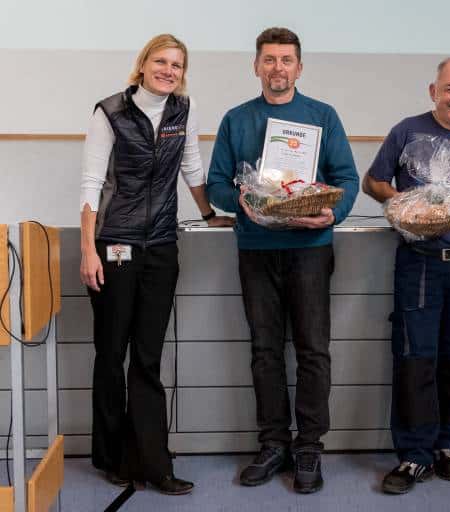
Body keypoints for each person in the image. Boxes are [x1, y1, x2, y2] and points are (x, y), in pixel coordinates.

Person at [206, 27, 359, 494]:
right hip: (256, 250)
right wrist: (241, 200)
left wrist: (332, 213)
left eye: (286, 60)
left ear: (299, 67)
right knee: (265, 351)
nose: (278, 68)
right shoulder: (236, 120)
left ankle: (309, 446)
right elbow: (216, 185)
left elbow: (347, 179)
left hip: (310, 250)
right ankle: (273, 442)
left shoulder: (322, 116)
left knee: (313, 350)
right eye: (269, 59)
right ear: (256, 66)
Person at [79, 33, 233, 495]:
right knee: (111, 354)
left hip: (162, 246)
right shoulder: (110, 112)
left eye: (177, 65)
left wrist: (208, 214)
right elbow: (91, 182)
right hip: (115, 245)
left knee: (147, 358)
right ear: (143, 64)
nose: (169, 71)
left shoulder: (183, 110)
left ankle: (154, 462)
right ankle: (113, 458)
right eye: (161, 62)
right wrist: (88, 250)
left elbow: (192, 167)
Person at [363, 57, 450, 494]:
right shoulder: (407, 131)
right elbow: (373, 182)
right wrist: (407, 204)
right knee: (415, 357)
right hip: (420, 260)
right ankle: (413, 455)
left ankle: (444, 444)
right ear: (433, 91)